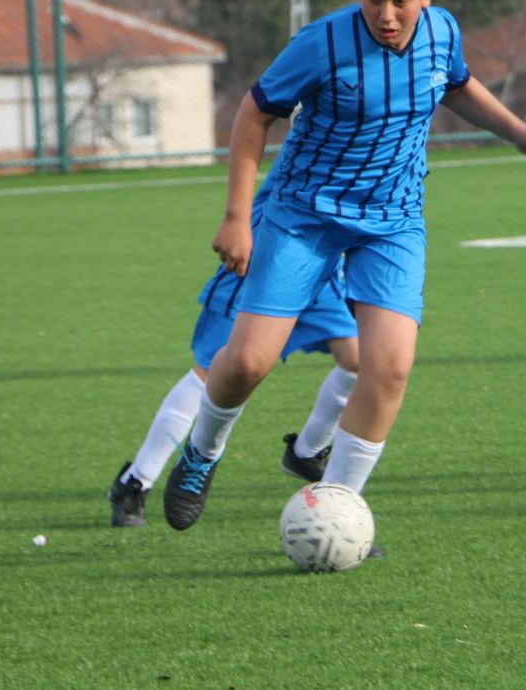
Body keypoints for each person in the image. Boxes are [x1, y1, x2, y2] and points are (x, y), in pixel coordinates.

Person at [161, 0, 526, 541]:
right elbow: (254, 112)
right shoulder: (320, 44)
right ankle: (202, 453)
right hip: (304, 215)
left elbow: (456, 85)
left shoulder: (443, 31)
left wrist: (519, 132)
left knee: (390, 368)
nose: (386, 14)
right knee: (246, 361)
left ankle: (339, 509)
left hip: (394, 222)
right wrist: (238, 216)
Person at [108, 176, 361, 530]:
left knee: (359, 360)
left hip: (321, 262)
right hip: (266, 251)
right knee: (213, 370)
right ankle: (135, 483)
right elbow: (255, 125)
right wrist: (236, 221)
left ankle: (306, 452)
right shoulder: (309, 134)